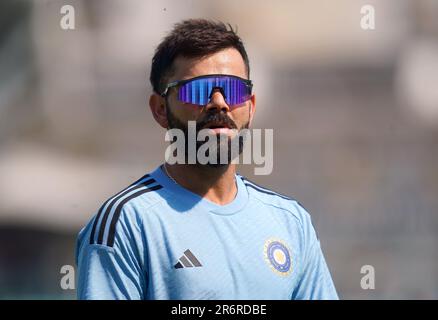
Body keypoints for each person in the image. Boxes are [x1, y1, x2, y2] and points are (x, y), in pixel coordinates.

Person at [76, 19, 338, 300]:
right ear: (160, 109)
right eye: (198, 91)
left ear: (250, 107)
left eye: (234, 90)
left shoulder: (291, 222)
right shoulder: (127, 224)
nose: (219, 103)